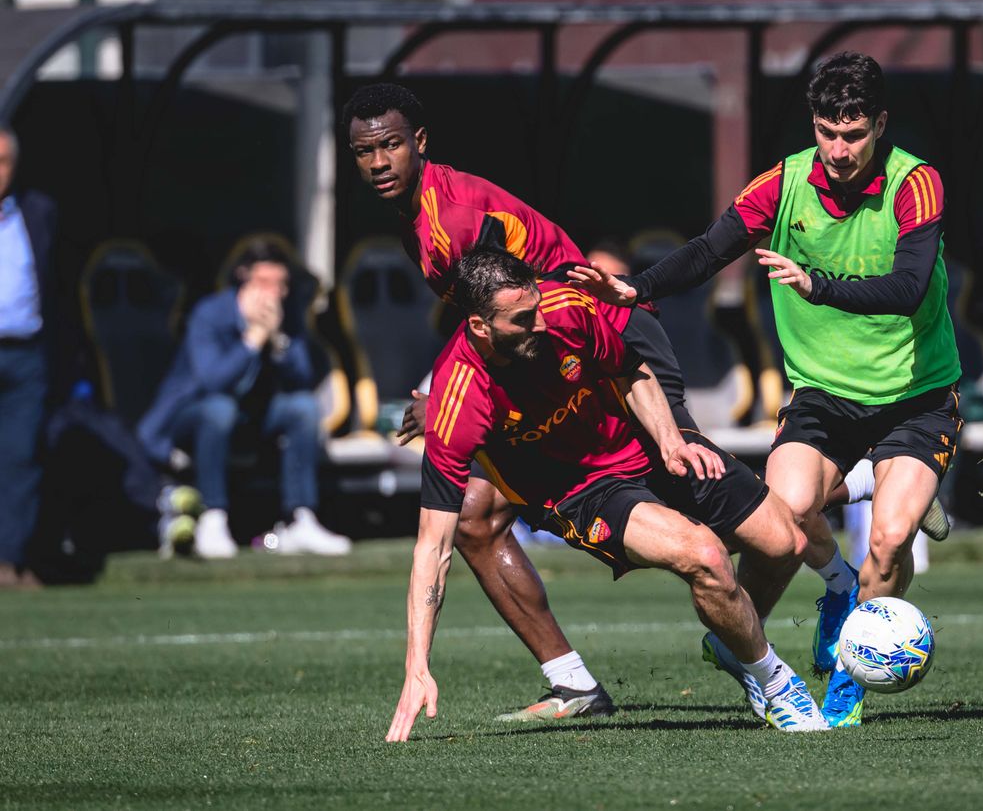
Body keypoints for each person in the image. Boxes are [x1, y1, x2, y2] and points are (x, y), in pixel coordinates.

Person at [569, 51, 962, 728]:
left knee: (892, 541)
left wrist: (817, 285)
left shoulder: (914, 183)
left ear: (880, 125)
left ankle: (850, 678)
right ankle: (815, 599)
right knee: (784, 512)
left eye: (854, 133)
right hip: (823, 395)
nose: (838, 149)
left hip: (916, 394)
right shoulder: (782, 186)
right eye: (826, 131)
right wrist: (639, 286)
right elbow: (707, 249)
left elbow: (910, 288)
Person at [345, 83, 702, 720]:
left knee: (698, 478)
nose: (378, 163)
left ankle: (855, 486)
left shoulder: (451, 220)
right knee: (477, 513)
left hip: (608, 341)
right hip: (547, 357)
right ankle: (574, 684)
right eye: (364, 151)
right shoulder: (416, 216)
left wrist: (440, 396)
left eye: (391, 145)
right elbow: (485, 322)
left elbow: (503, 310)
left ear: (420, 144)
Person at [385, 249, 826, 739]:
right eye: (522, 318)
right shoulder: (458, 400)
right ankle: (775, 680)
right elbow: (433, 547)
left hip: (643, 442)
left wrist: (670, 440)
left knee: (788, 542)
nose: (542, 323)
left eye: (537, 305)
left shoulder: (565, 308)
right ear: (480, 326)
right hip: (582, 490)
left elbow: (631, 370)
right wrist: (417, 666)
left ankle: (734, 641)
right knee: (706, 556)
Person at [137, 240, 350, 558]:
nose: (273, 293)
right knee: (220, 409)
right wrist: (252, 338)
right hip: (191, 418)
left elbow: (304, 376)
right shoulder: (210, 314)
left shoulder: (286, 316)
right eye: (263, 283)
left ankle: (300, 519)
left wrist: (277, 340)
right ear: (243, 280)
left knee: (304, 408)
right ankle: (213, 517)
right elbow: (213, 381)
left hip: (251, 417)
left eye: (280, 284)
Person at [0, 124, 56, 589]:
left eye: (3, 162)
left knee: (20, 458)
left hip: (24, 353)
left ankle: (11, 561)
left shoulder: (37, 212)